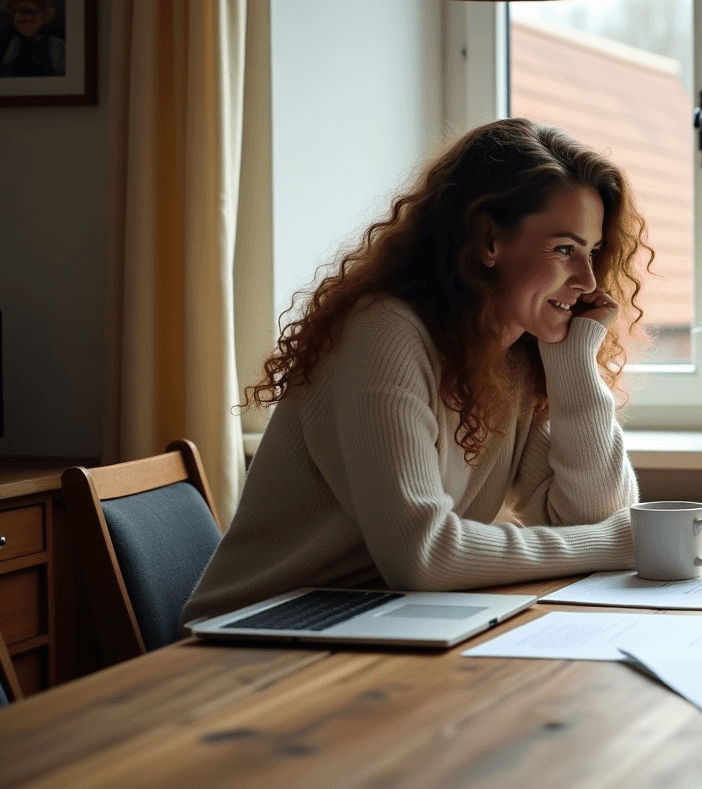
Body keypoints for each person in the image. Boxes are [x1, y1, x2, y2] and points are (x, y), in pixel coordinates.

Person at [183, 118, 652, 625]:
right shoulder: (383, 334)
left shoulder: (513, 358)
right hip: (254, 636)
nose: (586, 280)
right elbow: (422, 555)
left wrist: (575, 361)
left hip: (376, 622)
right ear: (489, 241)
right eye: (564, 249)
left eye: (594, 252)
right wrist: (611, 543)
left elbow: (595, 518)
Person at [0, 0, 65, 77]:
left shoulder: (55, 44)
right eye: (15, 12)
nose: (20, 19)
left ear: (45, 14)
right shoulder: (15, 42)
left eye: (28, 12)